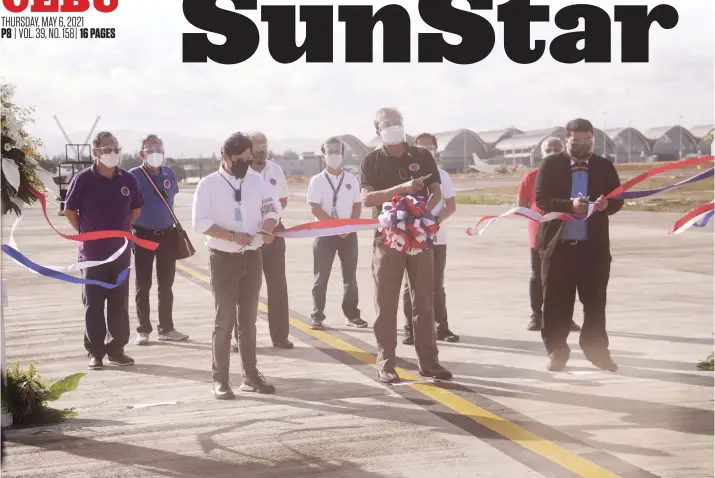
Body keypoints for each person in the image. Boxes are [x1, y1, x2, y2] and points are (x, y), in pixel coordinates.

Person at [360, 107, 452, 384]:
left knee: (423, 300)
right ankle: (386, 363)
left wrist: (425, 213)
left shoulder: (422, 155)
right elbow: (368, 199)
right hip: (388, 238)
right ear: (377, 130)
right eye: (387, 123)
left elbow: (436, 190)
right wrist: (401, 191)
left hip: (420, 235)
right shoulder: (371, 160)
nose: (393, 126)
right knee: (385, 303)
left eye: (397, 122)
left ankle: (430, 362)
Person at [192, 132, 280, 399]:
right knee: (224, 321)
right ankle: (220, 379)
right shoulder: (208, 185)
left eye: (248, 159)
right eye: (239, 159)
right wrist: (231, 236)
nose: (245, 164)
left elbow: (272, 210)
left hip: (252, 258)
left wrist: (268, 228)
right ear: (225, 158)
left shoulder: (258, 182)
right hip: (223, 259)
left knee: (249, 321)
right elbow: (200, 223)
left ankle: (250, 376)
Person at [535, 118, 623, 372]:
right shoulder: (552, 164)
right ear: (567, 141)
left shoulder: (603, 166)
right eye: (577, 141)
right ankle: (557, 350)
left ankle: (597, 351)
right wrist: (569, 205)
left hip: (592, 249)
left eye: (588, 141)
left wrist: (608, 205)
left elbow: (617, 199)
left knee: (595, 303)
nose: (583, 146)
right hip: (558, 246)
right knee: (555, 303)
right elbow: (542, 199)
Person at [64, 131, 144, 370]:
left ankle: (117, 349)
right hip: (92, 255)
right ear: (95, 152)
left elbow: (136, 210)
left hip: (120, 254)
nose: (112, 152)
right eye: (107, 148)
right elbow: (70, 211)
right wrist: (87, 234)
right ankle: (95, 352)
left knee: (119, 304)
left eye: (115, 148)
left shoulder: (128, 180)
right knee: (94, 304)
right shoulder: (83, 179)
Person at [234, 131, 293, 350]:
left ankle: (280, 336)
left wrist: (271, 223)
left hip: (274, 233)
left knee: (278, 285)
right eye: (257, 145)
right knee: (245, 288)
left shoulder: (275, 170)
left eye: (264, 145)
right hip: (247, 235)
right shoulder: (240, 170)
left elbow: (283, 200)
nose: (261, 149)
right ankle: (241, 337)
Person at [130, 134, 189, 345]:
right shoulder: (133, 176)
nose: (155, 153)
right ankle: (143, 329)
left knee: (166, 285)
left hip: (167, 235)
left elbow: (170, 199)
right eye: (150, 150)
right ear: (142, 154)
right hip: (143, 236)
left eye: (159, 150)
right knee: (142, 285)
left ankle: (166, 328)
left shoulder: (169, 173)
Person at [518, 137, 581, 333]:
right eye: (549, 149)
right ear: (542, 152)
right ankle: (537, 315)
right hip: (539, 234)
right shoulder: (531, 177)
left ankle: (565, 316)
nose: (553, 151)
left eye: (557, 148)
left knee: (564, 277)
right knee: (538, 275)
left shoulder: (573, 176)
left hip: (566, 232)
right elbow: (522, 205)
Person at [402, 133, 459, 344]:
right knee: (410, 286)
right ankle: (410, 329)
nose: (427, 152)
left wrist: (431, 222)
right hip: (411, 239)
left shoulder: (443, 176)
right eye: (422, 148)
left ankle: (441, 327)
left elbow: (451, 205)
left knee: (436, 285)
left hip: (436, 239)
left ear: (437, 150)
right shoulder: (407, 176)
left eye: (431, 148)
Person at [306, 137, 366, 330]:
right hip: (325, 235)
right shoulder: (316, 181)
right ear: (323, 155)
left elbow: (357, 205)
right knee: (321, 277)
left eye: (337, 151)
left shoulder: (351, 180)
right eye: (330, 151)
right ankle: (317, 316)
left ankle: (352, 315)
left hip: (348, 236)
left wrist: (350, 226)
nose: (334, 155)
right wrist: (335, 227)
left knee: (350, 277)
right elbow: (315, 208)